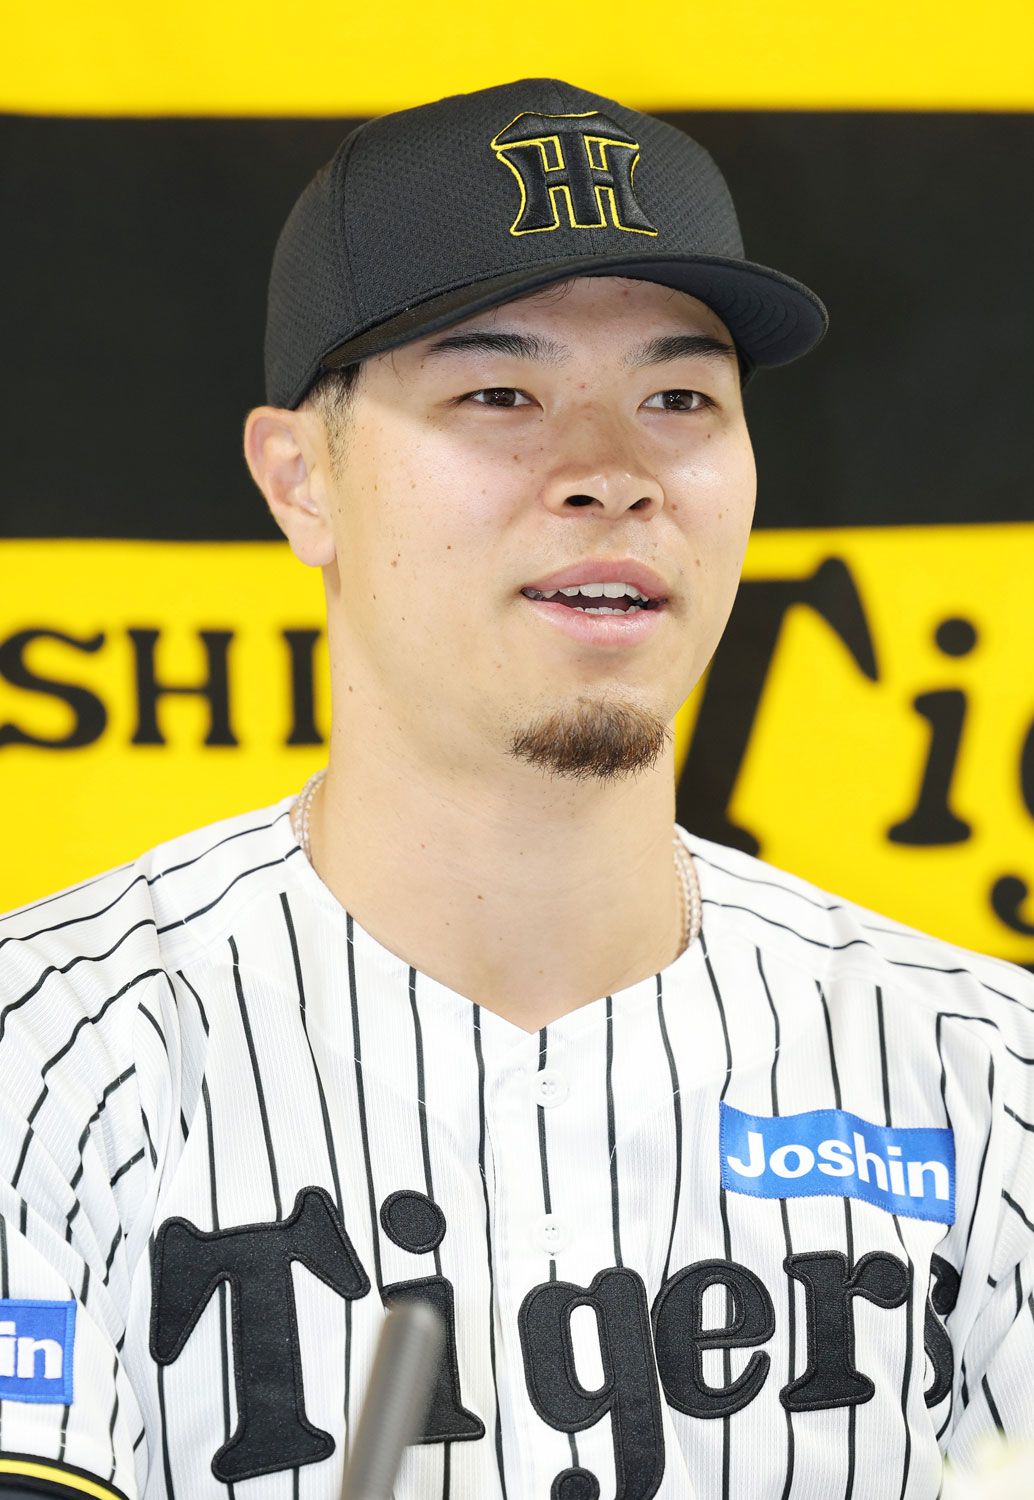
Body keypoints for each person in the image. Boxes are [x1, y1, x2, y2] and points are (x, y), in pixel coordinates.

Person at [0, 75, 1030, 1500]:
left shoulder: (987, 1080)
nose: (612, 472)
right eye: (500, 393)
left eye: (680, 396)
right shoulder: (47, 1065)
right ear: (300, 481)